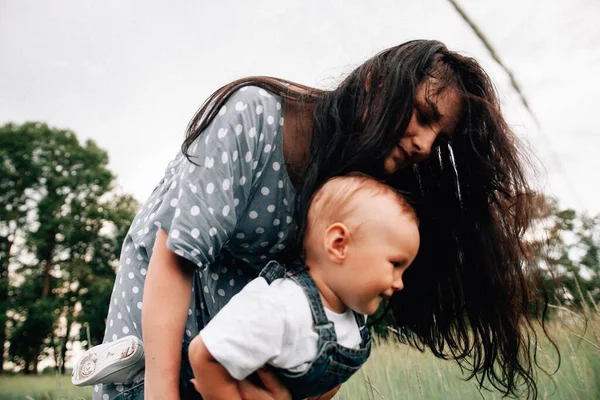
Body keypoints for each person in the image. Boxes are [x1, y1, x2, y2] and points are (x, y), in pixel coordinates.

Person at [85, 39, 551, 400]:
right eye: (424, 115)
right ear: (375, 84)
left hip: (239, 352)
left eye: (439, 138)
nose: (426, 146)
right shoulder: (254, 116)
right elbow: (176, 258)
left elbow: (333, 318)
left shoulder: (362, 186)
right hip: (162, 330)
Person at [73, 174, 419, 399]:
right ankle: (131, 369)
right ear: (339, 244)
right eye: (394, 264)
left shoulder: (351, 326)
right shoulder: (280, 306)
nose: (400, 283)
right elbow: (204, 354)